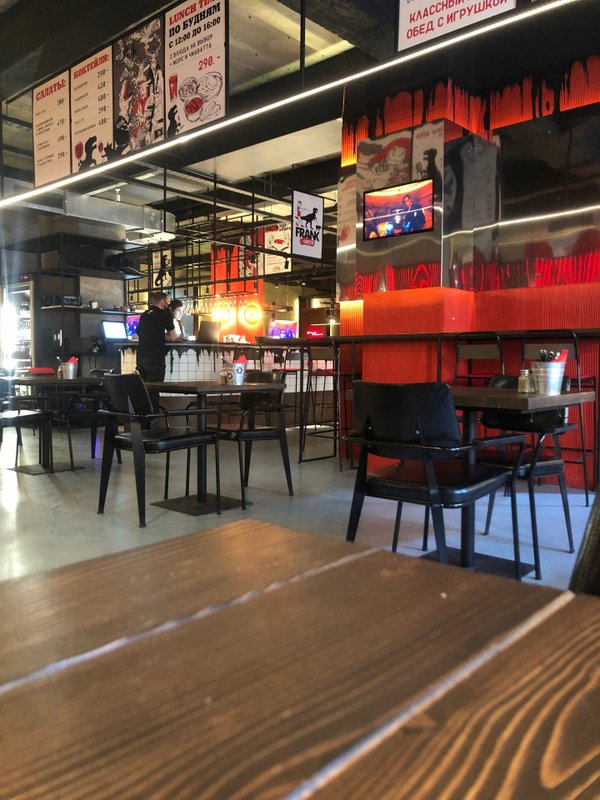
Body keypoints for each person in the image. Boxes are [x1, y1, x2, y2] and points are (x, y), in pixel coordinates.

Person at [136, 291, 177, 409]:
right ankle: (153, 417)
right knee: (154, 392)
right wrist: (164, 336)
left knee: (144, 392)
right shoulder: (165, 314)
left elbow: (143, 333)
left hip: (141, 359)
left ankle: (144, 417)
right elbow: (173, 337)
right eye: (168, 301)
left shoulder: (144, 314)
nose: (169, 303)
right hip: (155, 358)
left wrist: (159, 335)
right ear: (163, 302)